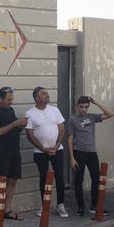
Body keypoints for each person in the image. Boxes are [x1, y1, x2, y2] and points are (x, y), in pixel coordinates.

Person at [0, 86, 29, 220]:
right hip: (1, 151)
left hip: (14, 149)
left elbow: (13, 129)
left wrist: (21, 125)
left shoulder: (10, 110)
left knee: (13, 180)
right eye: (9, 100)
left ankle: (7, 210)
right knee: (1, 180)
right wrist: (15, 123)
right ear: (0, 99)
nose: (11, 102)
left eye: (12, 99)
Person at [67, 95, 114, 215]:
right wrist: (72, 158)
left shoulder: (92, 117)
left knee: (96, 179)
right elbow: (70, 139)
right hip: (78, 152)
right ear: (77, 107)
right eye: (81, 107)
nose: (83, 109)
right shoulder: (73, 119)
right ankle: (80, 207)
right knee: (78, 180)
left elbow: (110, 114)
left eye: (86, 107)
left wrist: (96, 102)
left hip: (91, 152)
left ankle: (94, 205)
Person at [25, 86, 68, 217]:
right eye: (44, 94)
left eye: (47, 93)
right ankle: (45, 206)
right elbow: (29, 134)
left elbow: (61, 129)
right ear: (36, 98)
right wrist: (42, 148)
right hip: (40, 152)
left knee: (59, 176)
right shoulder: (30, 113)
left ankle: (60, 205)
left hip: (57, 150)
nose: (47, 95)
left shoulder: (55, 110)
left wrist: (56, 145)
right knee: (43, 178)